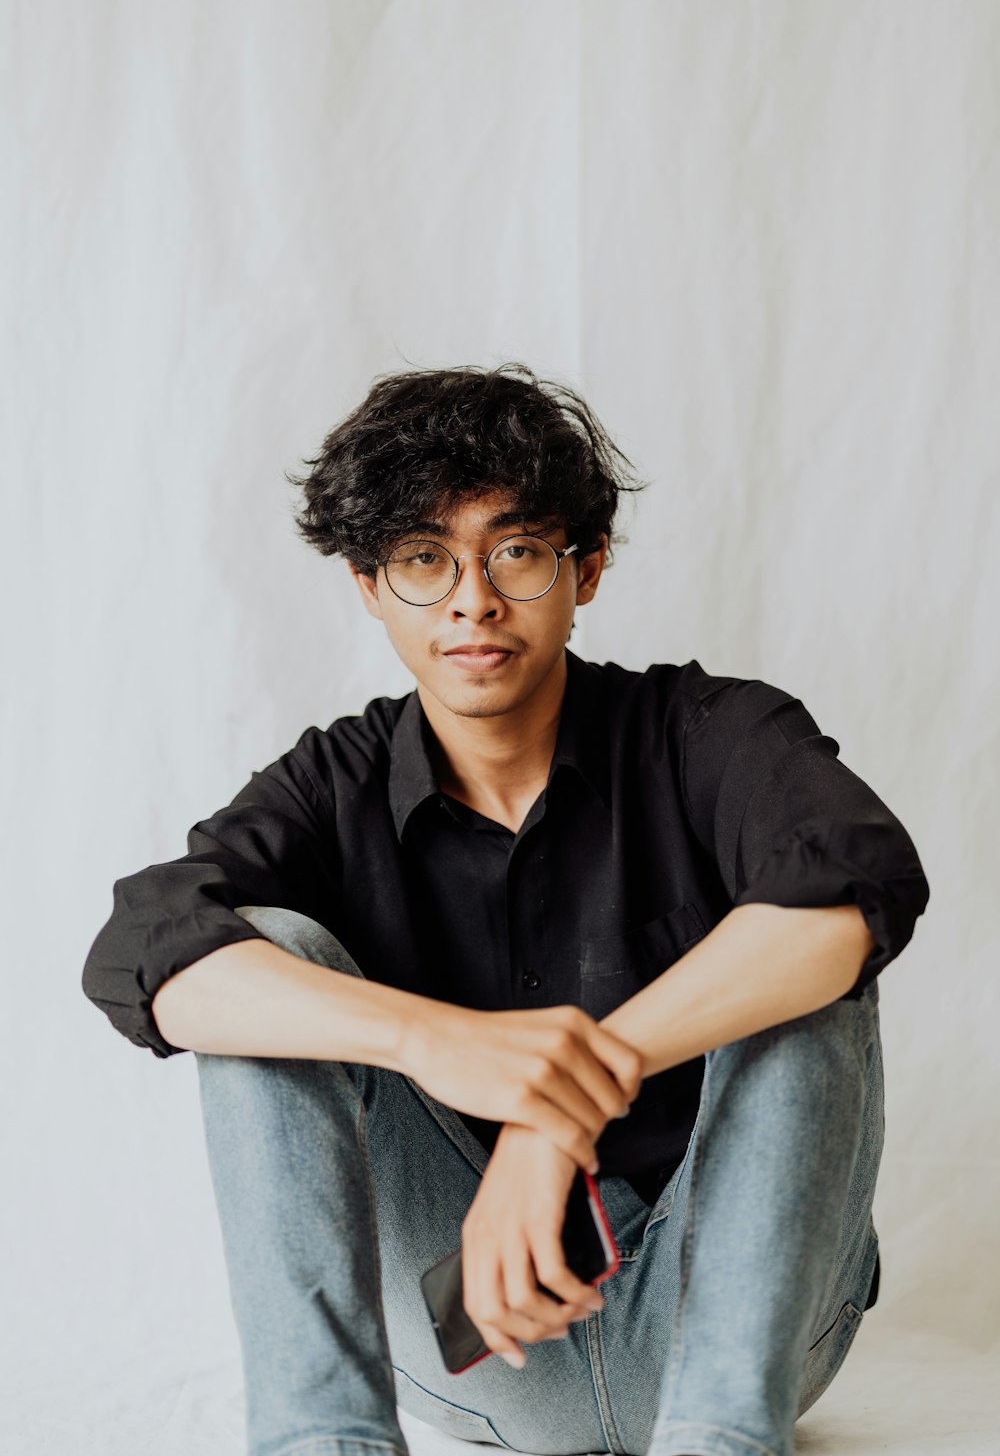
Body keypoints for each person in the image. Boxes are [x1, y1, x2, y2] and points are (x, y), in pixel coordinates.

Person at [82, 362, 930, 1456]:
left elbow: (857, 886)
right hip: (477, 1342)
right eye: (423, 560)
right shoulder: (331, 785)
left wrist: (555, 1103)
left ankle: (716, 1441)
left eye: (515, 551)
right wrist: (436, 1042)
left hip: (741, 1334)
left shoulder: (710, 732)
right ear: (368, 586)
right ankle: (319, 1442)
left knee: (801, 941)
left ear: (586, 570)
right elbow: (146, 951)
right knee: (264, 959)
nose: (472, 598)